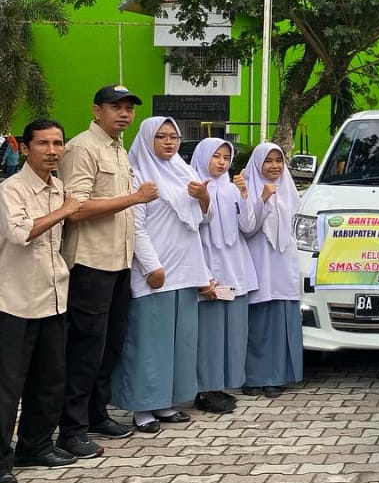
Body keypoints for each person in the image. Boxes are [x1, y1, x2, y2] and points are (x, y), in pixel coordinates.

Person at [57, 85, 160, 459]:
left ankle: (96, 414)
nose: (124, 113)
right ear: (96, 110)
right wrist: (134, 198)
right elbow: (75, 209)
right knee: (85, 349)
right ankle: (71, 430)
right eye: (116, 107)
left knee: (109, 345)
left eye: (129, 108)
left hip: (118, 263)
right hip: (90, 263)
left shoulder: (117, 149)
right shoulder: (82, 148)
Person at [114, 117, 212, 434]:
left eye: (174, 137)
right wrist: (152, 267)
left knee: (178, 343)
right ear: (147, 139)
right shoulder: (137, 175)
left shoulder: (184, 172)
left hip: (186, 269)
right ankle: (142, 408)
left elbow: (202, 220)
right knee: (148, 343)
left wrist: (204, 198)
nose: (169, 142)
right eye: (161, 136)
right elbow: (136, 228)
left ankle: (165, 402)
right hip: (155, 273)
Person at [0, 120, 83, 483]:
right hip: (14, 301)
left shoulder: (59, 188)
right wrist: (65, 210)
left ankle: (35, 446)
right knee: (7, 388)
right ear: (25, 148)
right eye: (43, 144)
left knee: (49, 379)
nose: (52, 151)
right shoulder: (11, 190)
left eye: (58, 143)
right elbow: (20, 234)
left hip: (53, 297)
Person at [190, 138, 259, 415]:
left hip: (235, 268)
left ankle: (219, 385)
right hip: (208, 268)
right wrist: (203, 276)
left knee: (231, 333)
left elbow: (248, 226)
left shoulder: (231, 189)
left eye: (226, 157)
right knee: (208, 335)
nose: (221, 162)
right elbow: (191, 234)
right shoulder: (194, 188)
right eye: (216, 156)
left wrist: (244, 194)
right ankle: (203, 389)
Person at [243, 143, 303, 397]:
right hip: (258, 261)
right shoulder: (247, 188)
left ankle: (277, 377)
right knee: (256, 323)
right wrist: (263, 199)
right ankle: (253, 377)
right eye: (268, 160)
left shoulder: (290, 189)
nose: (275, 166)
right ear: (258, 163)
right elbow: (247, 228)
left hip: (283, 263)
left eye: (279, 160)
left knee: (280, 321)